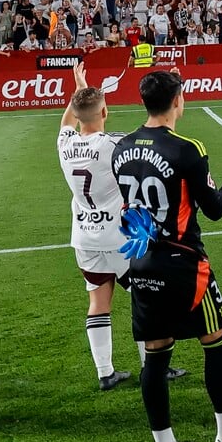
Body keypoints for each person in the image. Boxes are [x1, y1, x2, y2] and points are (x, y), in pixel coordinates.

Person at [113, 71, 222, 442]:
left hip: (141, 263)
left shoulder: (122, 148)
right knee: (217, 341)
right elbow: (214, 208)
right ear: (178, 101)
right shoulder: (187, 149)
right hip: (184, 266)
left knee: (156, 356)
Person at [57, 60, 181, 390]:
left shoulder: (65, 144)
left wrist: (79, 89)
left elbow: (68, 120)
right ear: (105, 112)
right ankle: (153, 367)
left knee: (98, 302)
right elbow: (149, 135)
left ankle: (105, 373)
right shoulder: (112, 144)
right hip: (118, 238)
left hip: (84, 237)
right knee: (146, 298)